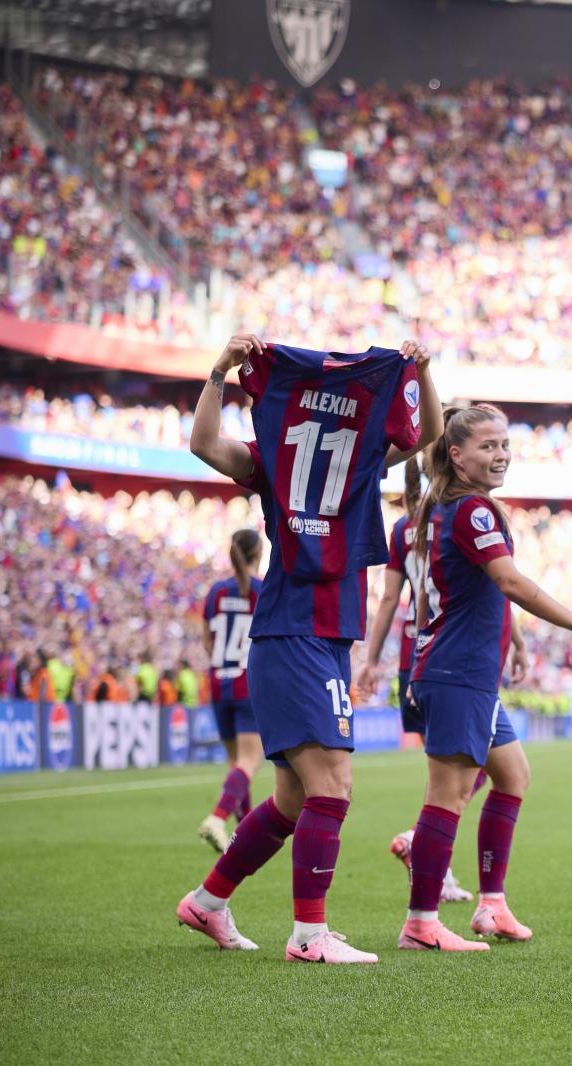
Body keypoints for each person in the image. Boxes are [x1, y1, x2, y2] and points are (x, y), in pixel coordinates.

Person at [175, 332, 440, 964]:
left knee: (295, 798)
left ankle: (208, 902)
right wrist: (218, 370)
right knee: (333, 787)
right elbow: (204, 444)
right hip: (294, 631)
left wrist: (423, 373)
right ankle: (308, 935)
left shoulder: (356, 452)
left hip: (321, 637)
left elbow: (427, 435)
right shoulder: (283, 457)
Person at [382, 404, 572, 951]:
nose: (501, 454)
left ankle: (491, 905)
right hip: (455, 671)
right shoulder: (472, 512)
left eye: (504, 444)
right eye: (487, 446)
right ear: (456, 456)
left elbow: (477, 592)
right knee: (448, 796)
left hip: (463, 671)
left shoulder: (444, 511)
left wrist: (514, 639)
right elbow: (508, 582)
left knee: (511, 776)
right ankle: (420, 922)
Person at [357, 454, 478, 903]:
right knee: (458, 771)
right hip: (448, 656)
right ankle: (426, 853)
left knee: (461, 768)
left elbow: (391, 598)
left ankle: (427, 851)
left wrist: (372, 658)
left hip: (416, 656)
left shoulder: (402, 530)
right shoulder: (453, 519)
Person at [197, 528, 265, 853]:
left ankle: (246, 835)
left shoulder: (215, 592)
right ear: (258, 554)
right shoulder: (263, 591)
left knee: (235, 762)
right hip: (248, 681)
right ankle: (217, 817)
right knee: (251, 761)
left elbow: (207, 640)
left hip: (218, 679)